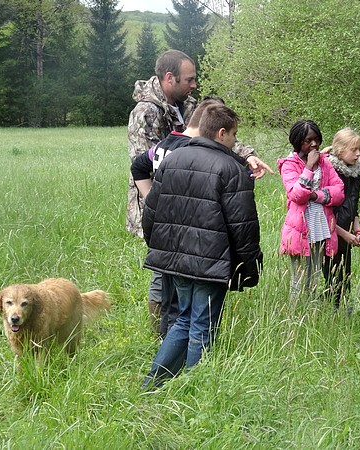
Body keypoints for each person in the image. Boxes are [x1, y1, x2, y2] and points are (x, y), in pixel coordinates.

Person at [126, 50, 272, 332]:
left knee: (186, 271)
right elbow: (147, 163)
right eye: (189, 79)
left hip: (193, 203)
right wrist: (156, 201)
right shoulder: (145, 113)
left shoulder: (189, 105)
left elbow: (216, 133)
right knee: (163, 274)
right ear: (170, 78)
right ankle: (163, 336)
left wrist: (247, 155)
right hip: (162, 207)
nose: (194, 85)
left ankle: (185, 331)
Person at [140, 103, 263, 389]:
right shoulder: (231, 168)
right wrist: (250, 266)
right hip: (212, 264)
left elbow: (151, 213)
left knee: (184, 319)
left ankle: (151, 385)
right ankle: (198, 393)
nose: (235, 141)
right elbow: (243, 228)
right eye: (234, 135)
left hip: (177, 261)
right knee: (203, 327)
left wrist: (160, 248)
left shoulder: (173, 159)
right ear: (221, 133)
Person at [130, 99, 229, 338]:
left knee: (161, 276)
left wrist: (152, 197)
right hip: (187, 228)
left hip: (163, 226)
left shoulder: (166, 144)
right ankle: (171, 337)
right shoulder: (193, 151)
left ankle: (163, 337)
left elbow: (138, 167)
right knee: (180, 295)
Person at [277, 120, 345, 301]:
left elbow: (339, 191)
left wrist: (316, 196)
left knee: (314, 279)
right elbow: (296, 195)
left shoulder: (325, 164)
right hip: (299, 229)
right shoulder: (289, 164)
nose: (314, 144)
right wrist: (308, 168)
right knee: (298, 281)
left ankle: (311, 316)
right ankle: (294, 319)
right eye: (308, 140)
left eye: (317, 140)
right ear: (298, 141)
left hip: (321, 227)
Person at [321, 128, 360, 309]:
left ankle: (341, 315)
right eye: (353, 149)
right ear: (339, 150)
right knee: (331, 280)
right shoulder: (329, 172)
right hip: (328, 234)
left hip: (346, 233)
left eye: (359, 149)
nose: (358, 153)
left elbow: (354, 206)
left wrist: (357, 230)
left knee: (345, 278)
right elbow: (325, 212)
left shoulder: (356, 173)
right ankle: (326, 313)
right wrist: (344, 234)